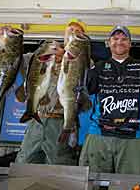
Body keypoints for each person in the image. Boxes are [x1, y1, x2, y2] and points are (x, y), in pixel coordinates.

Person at [79, 25, 140, 175]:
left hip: (135, 137)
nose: (119, 42)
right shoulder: (98, 67)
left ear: (130, 44)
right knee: (91, 182)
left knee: (131, 184)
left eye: (124, 39)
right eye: (115, 38)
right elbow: (86, 89)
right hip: (99, 135)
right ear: (108, 43)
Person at [15, 19, 87, 165]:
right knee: (24, 163)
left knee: (59, 166)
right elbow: (16, 61)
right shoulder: (45, 53)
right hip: (37, 121)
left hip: (61, 121)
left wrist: (65, 59)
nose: (73, 33)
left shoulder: (83, 60)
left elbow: (84, 90)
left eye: (78, 32)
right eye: (70, 31)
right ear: (65, 35)